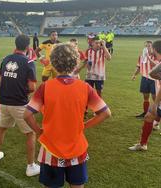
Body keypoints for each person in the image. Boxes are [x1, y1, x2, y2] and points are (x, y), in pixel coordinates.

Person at [24, 43, 111, 188]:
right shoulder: (85, 87)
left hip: (51, 148)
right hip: (77, 147)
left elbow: (27, 114)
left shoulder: (46, 87)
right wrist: (84, 125)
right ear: (76, 62)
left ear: (53, 62)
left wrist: (39, 131)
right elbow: (105, 113)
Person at [0, 35, 40, 177]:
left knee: (2, 128)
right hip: (19, 103)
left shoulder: (6, 59)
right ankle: (31, 166)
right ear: (28, 47)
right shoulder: (29, 62)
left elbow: (1, 79)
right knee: (30, 133)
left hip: (4, 101)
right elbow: (32, 87)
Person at [129, 40, 161, 151]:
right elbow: (154, 74)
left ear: (155, 49)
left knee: (150, 114)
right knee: (149, 116)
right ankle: (143, 144)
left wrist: (156, 103)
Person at [131, 41, 157, 119]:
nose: (147, 48)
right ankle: (145, 113)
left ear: (153, 48)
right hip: (145, 78)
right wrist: (134, 75)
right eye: (145, 46)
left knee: (155, 98)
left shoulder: (156, 56)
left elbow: (156, 65)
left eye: (149, 46)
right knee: (145, 97)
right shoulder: (141, 56)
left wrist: (148, 57)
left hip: (154, 80)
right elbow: (139, 66)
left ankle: (156, 115)